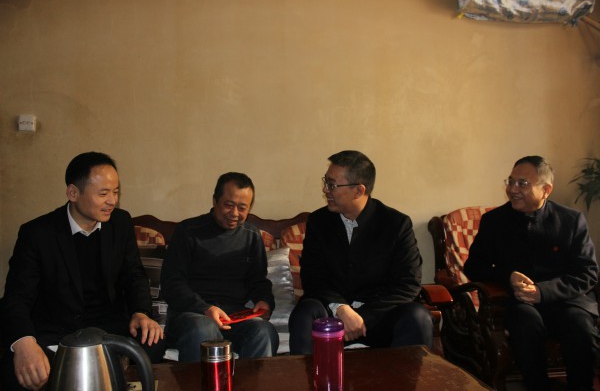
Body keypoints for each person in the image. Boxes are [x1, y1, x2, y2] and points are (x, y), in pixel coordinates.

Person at [0, 151, 164, 391]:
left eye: (116, 192)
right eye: (103, 194)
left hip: (109, 328)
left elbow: (134, 275)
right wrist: (24, 343)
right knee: (16, 372)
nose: (112, 201)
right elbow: (16, 297)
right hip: (56, 333)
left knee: (153, 343)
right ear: (73, 193)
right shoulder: (37, 234)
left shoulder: (120, 223)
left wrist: (140, 312)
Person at [464, 155, 599, 391]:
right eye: (510, 181)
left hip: (565, 300)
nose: (512, 189)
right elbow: (474, 266)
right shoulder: (494, 221)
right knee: (526, 324)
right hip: (519, 302)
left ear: (546, 190)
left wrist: (543, 292)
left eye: (522, 183)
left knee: (581, 329)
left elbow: (587, 273)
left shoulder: (571, 220)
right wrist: (508, 276)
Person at [288, 150, 433, 354]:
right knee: (305, 312)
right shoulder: (319, 222)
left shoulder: (396, 224)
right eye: (325, 182)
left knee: (418, 316)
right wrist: (341, 309)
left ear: (358, 191)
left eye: (332, 185)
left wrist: (362, 316)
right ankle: (308, 375)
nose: (325, 189)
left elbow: (408, 284)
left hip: (379, 317)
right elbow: (313, 277)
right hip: (332, 315)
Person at [160, 172, 278, 361]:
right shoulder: (188, 231)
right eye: (228, 205)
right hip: (192, 315)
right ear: (215, 201)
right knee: (204, 328)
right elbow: (171, 283)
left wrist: (264, 300)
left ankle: (253, 380)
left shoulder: (251, 236)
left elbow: (258, 280)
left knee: (263, 331)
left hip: (233, 318)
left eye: (242, 208)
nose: (235, 213)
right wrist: (205, 308)